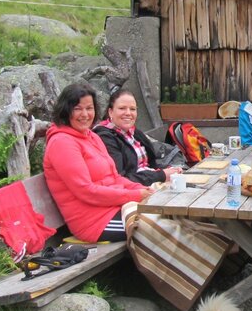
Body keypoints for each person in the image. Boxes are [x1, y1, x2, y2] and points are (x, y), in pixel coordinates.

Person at [43, 83, 152, 243]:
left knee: (172, 217)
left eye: (89, 108)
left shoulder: (92, 136)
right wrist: (135, 195)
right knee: (159, 227)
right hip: (95, 223)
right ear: (65, 110)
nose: (85, 114)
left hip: (115, 208)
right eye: (78, 109)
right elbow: (86, 191)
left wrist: (140, 188)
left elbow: (115, 178)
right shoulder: (62, 142)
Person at [94, 89, 183, 186]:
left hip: (149, 183)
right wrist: (161, 175)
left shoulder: (134, 133)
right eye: (122, 108)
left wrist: (170, 170)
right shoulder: (105, 138)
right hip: (133, 189)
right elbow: (121, 179)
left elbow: (149, 165)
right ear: (110, 112)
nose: (128, 113)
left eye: (132, 109)